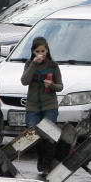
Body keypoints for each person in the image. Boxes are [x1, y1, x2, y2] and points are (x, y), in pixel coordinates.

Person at [21, 36, 64, 174]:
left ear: (47, 51)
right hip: (33, 106)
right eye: (38, 51)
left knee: (49, 135)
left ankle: (47, 163)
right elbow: (24, 81)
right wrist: (33, 64)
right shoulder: (29, 64)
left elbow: (60, 86)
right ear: (33, 52)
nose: (41, 54)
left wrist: (52, 85)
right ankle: (42, 158)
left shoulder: (53, 65)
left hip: (49, 105)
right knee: (34, 134)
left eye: (43, 51)